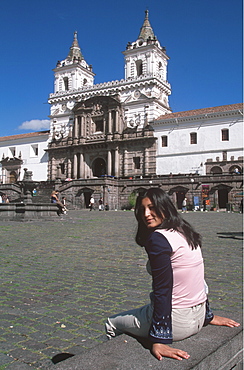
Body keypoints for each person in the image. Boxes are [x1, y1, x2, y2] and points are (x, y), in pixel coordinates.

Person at [105, 188, 239, 361]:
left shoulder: (158, 239)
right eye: (142, 209)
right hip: (197, 316)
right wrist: (207, 315)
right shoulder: (184, 230)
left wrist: (160, 338)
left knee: (111, 323)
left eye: (152, 207)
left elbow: (163, 289)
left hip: (177, 322)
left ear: (164, 207)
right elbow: (199, 278)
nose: (146, 214)